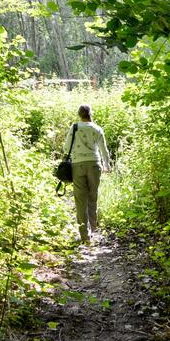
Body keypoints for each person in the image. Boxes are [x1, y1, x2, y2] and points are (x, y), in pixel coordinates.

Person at [63, 104, 110, 243]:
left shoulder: (74, 127)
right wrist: (106, 165)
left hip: (78, 165)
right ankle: (93, 230)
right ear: (91, 114)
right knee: (92, 197)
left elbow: (66, 148)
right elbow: (104, 150)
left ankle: (85, 235)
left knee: (80, 199)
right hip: (94, 165)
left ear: (79, 114)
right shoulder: (97, 128)